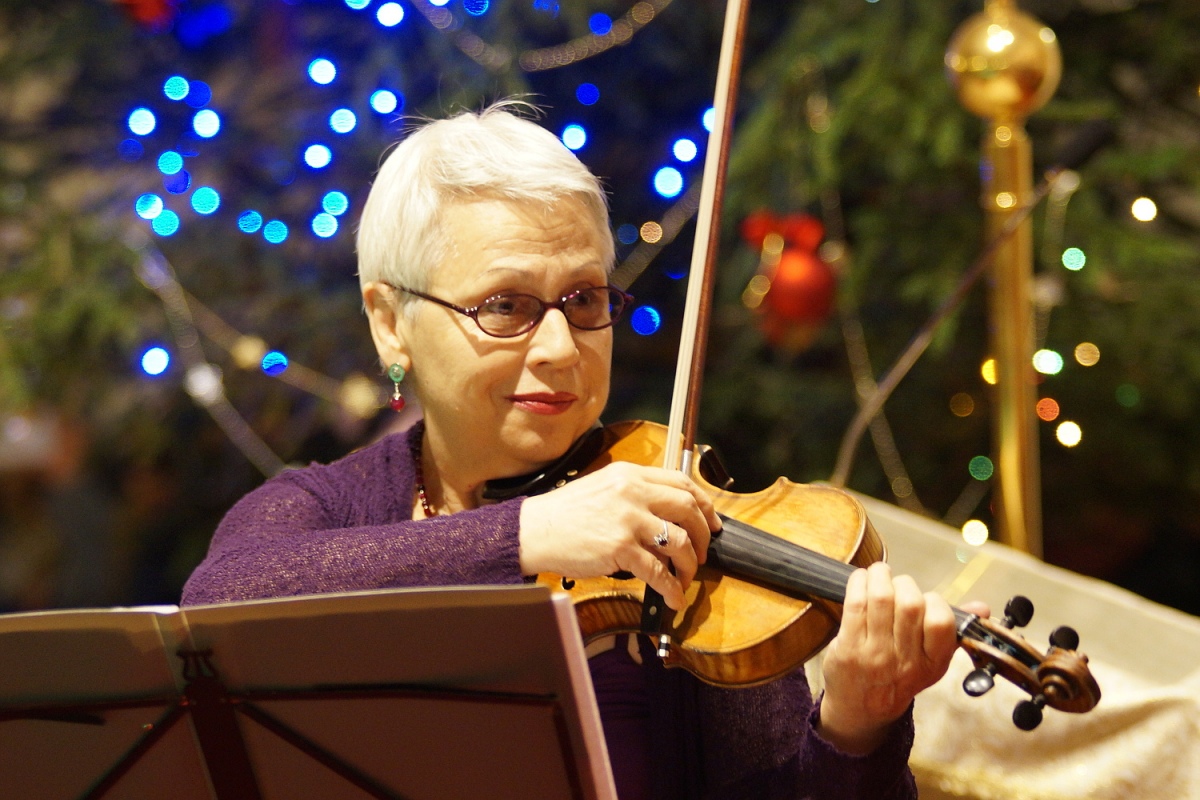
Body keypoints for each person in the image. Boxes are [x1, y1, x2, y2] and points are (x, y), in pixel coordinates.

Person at [183, 103, 979, 799]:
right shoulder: (331, 506)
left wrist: (853, 727)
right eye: (506, 305)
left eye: (585, 299)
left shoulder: (669, 540)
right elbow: (219, 602)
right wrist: (527, 533)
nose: (563, 347)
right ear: (391, 322)